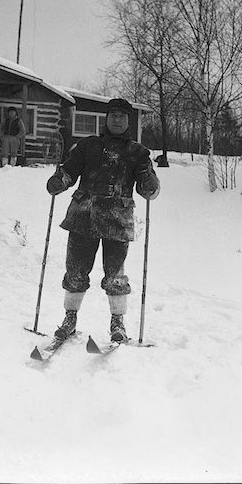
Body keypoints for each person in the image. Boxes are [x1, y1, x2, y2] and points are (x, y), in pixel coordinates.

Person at [46, 97, 160, 342]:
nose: (117, 120)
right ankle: (70, 319)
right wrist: (59, 181)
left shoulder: (138, 153)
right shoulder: (88, 146)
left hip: (117, 221)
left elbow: (148, 190)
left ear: (128, 121)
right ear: (106, 119)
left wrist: (150, 181)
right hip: (83, 217)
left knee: (115, 276)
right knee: (75, 271)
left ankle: (117, 323)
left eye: (122, 116)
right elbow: (69, 172)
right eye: (113, 115)